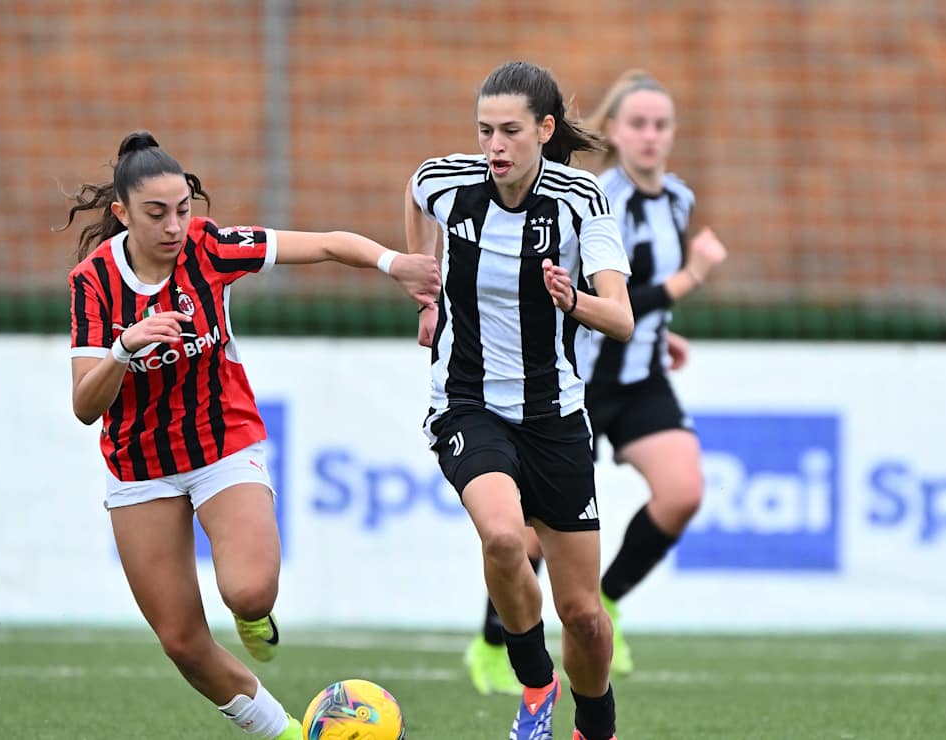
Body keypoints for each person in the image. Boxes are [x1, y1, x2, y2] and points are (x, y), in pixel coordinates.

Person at [63, 131, 439, 740]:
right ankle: (287, 733)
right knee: (182, 642)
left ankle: (253, 614)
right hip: (139, 466)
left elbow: (321, 244)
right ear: (121, 213)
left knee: (250, 588)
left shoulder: (210, 248)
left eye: (183, 209)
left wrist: (393, 265)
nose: (174, 225)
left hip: (222, 444)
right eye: (156, 213)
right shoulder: (94, 282)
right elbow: (85, 405)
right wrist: (125, 349)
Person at [463, 68, 731, 695]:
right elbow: (605, 293)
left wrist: (661, 332)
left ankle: (603, 604)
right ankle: (491, 644)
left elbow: (636, 297)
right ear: (611, 130)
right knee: (526, 534)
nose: (650, 136)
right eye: (637, 123)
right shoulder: (592, 196)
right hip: (576, 377)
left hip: (639, 378)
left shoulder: (679, 199)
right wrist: (692, 278)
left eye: (661, 125)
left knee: (683, 490)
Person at [405, 62, 633, 740]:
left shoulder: (580, 198)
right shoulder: (448, 183)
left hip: (556, 417)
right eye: (484, 131)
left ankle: (596, 727)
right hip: (467, 403)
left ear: (545, 129)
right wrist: (425, 286)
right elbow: (416, 197)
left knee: (586, 617)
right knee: (503, 535)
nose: (494, 146)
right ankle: (535, 686)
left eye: (509, 131)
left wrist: (575, 299)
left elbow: (620, 318)